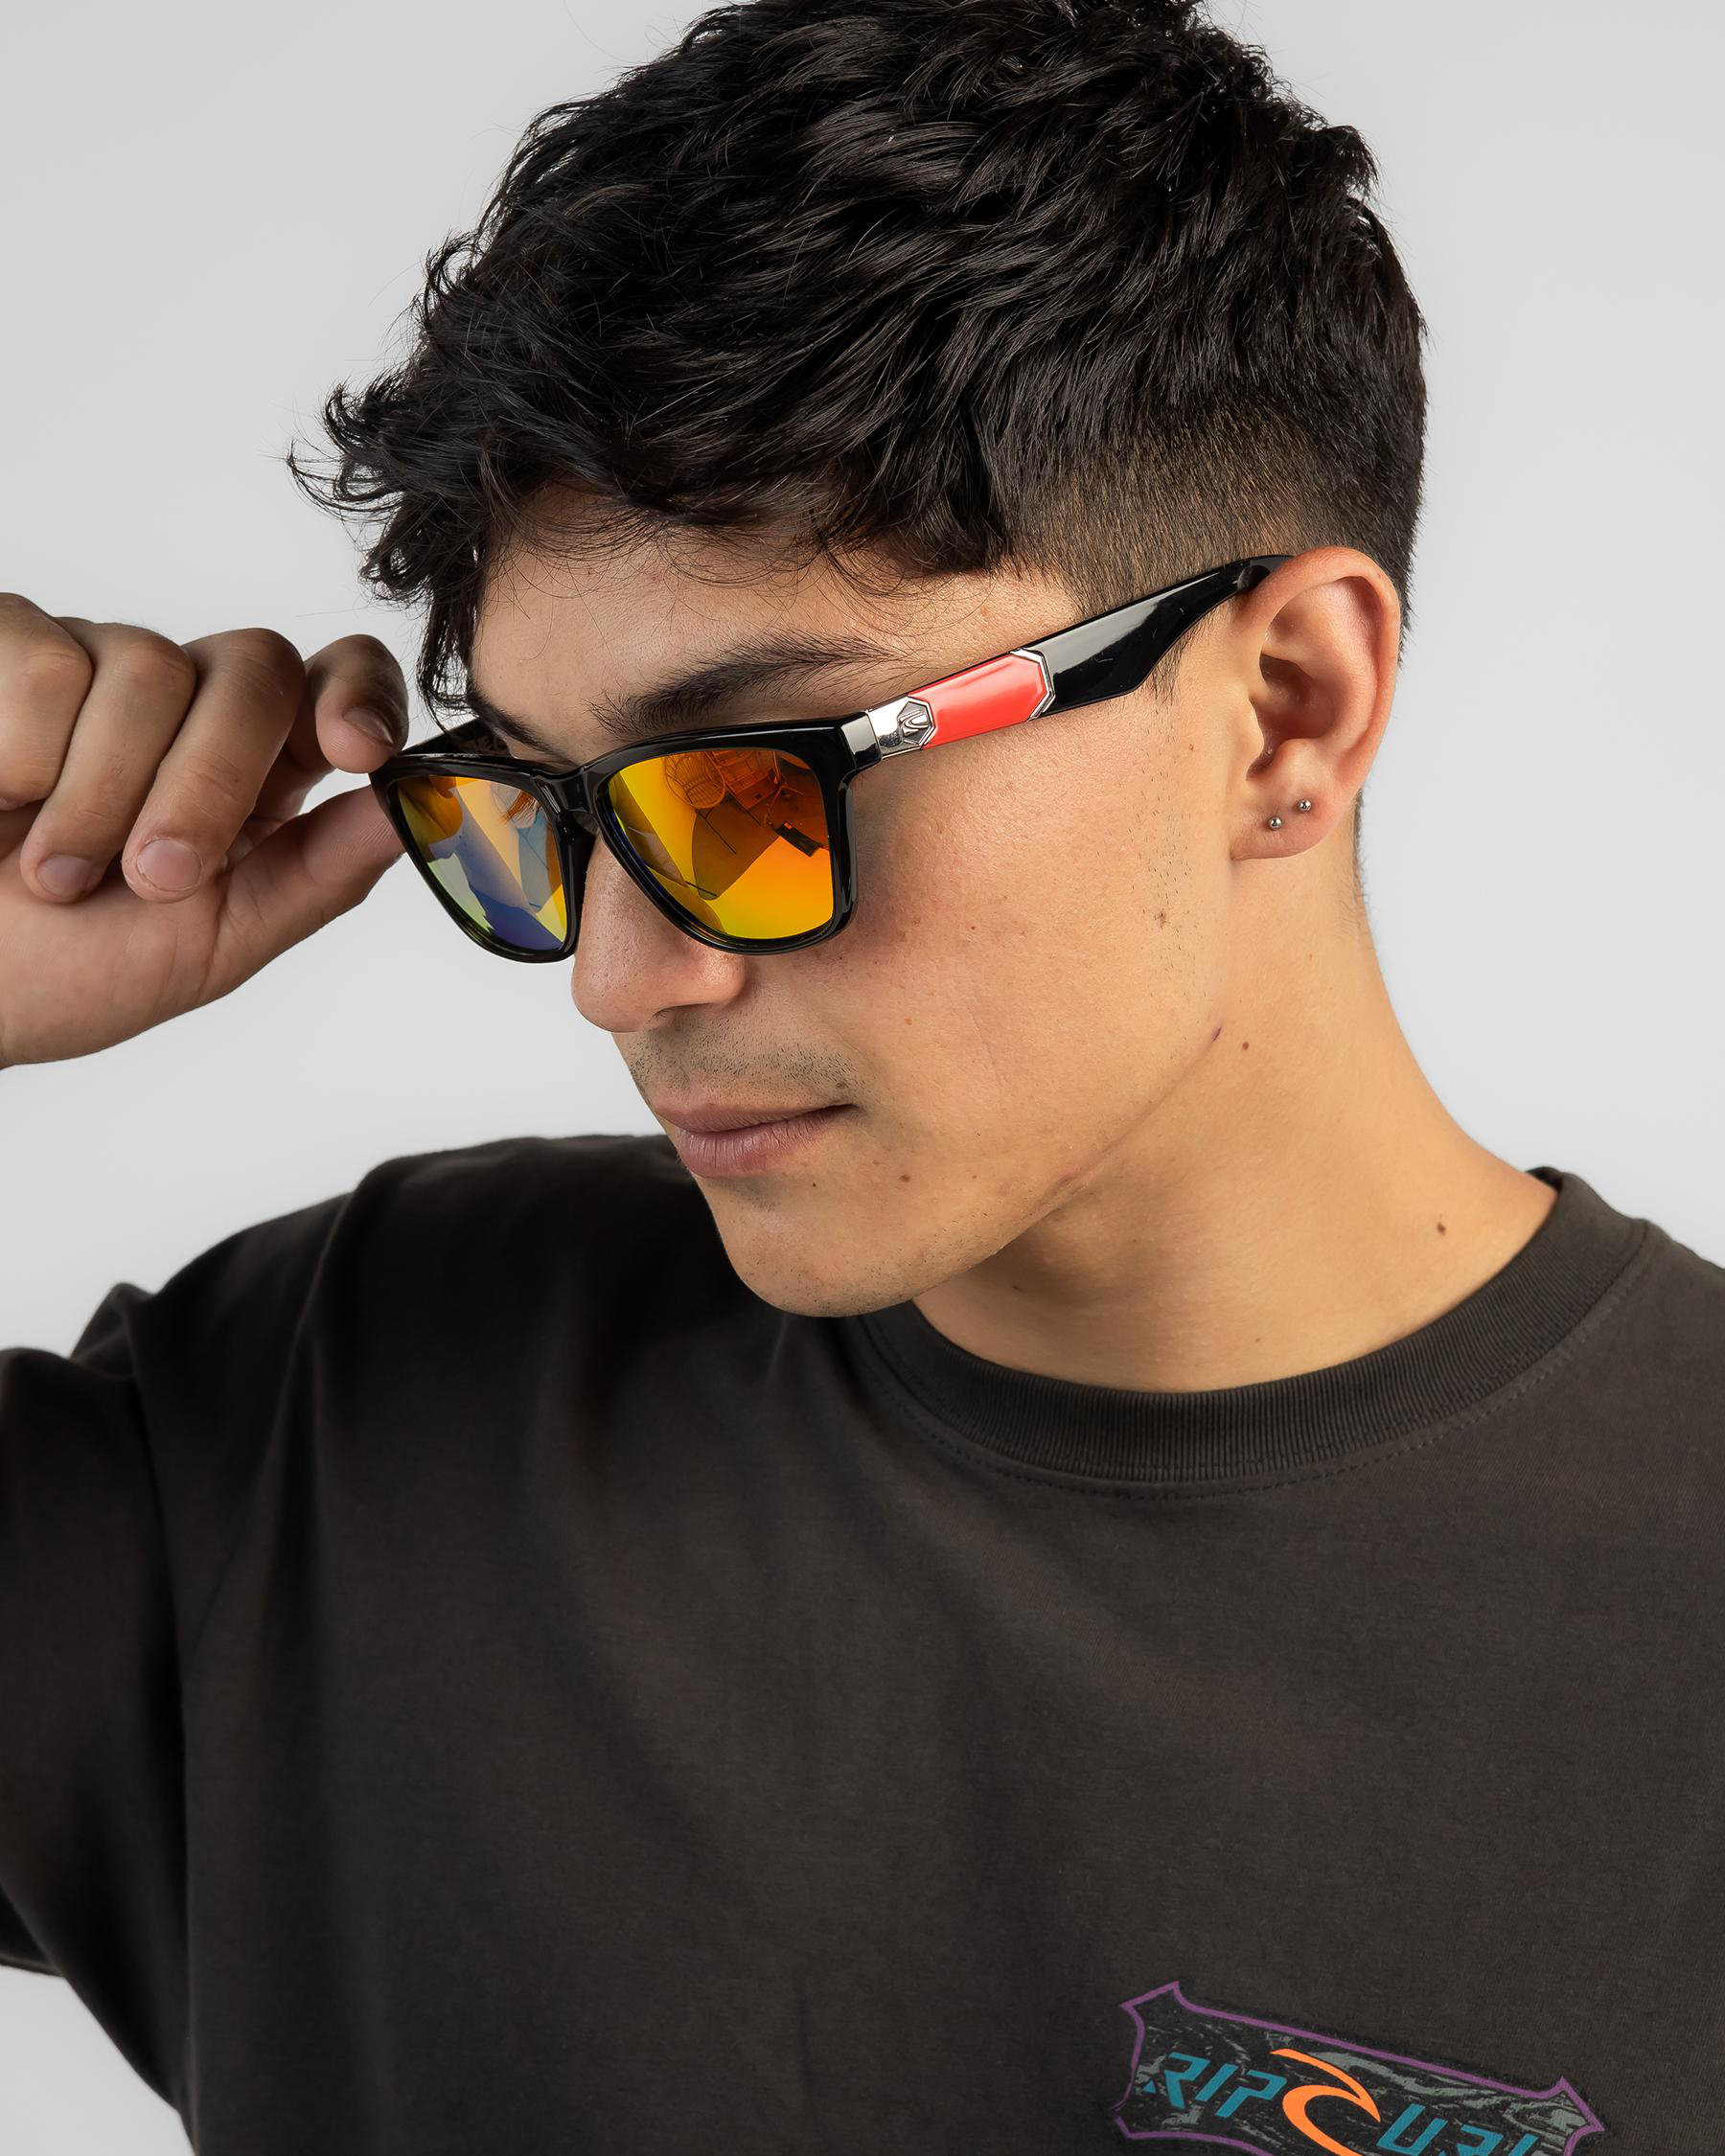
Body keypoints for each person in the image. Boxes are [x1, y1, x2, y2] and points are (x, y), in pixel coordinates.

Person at [2, 0, 1718, 2147]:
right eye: (539, 805)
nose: (622, 976)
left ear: (1287, 703)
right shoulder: (334, 1416)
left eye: (758, 783)